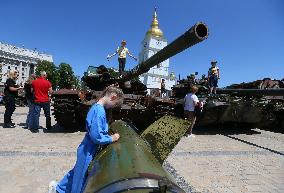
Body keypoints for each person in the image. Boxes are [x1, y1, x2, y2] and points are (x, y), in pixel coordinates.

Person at [48, 86, 124, 193]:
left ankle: (58, 188)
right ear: (113, 97)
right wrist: (112, 138)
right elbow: (96, 136)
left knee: (77, 172)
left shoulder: (97, 108)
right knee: (81, 177)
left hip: (87, 147)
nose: (114, 107)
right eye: (115, 104)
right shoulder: (99, 111)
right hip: (89, 149)